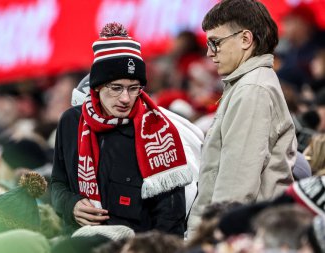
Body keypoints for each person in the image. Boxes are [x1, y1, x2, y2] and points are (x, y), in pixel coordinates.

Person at [51, 22, 193, 236]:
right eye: (116, 88)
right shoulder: (71, 122)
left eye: (134, 88)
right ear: (97, 87)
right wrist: (70, 205)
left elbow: (171, 218)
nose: (125, 98)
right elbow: (58, 183)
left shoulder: (157, 131)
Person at [187, 0, 297, 237]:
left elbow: (235, 189)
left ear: (246, 39)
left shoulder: (252, 90)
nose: (209, 52)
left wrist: (208, 240)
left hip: (238, 237)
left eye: (215, 42)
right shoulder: (248, 85)